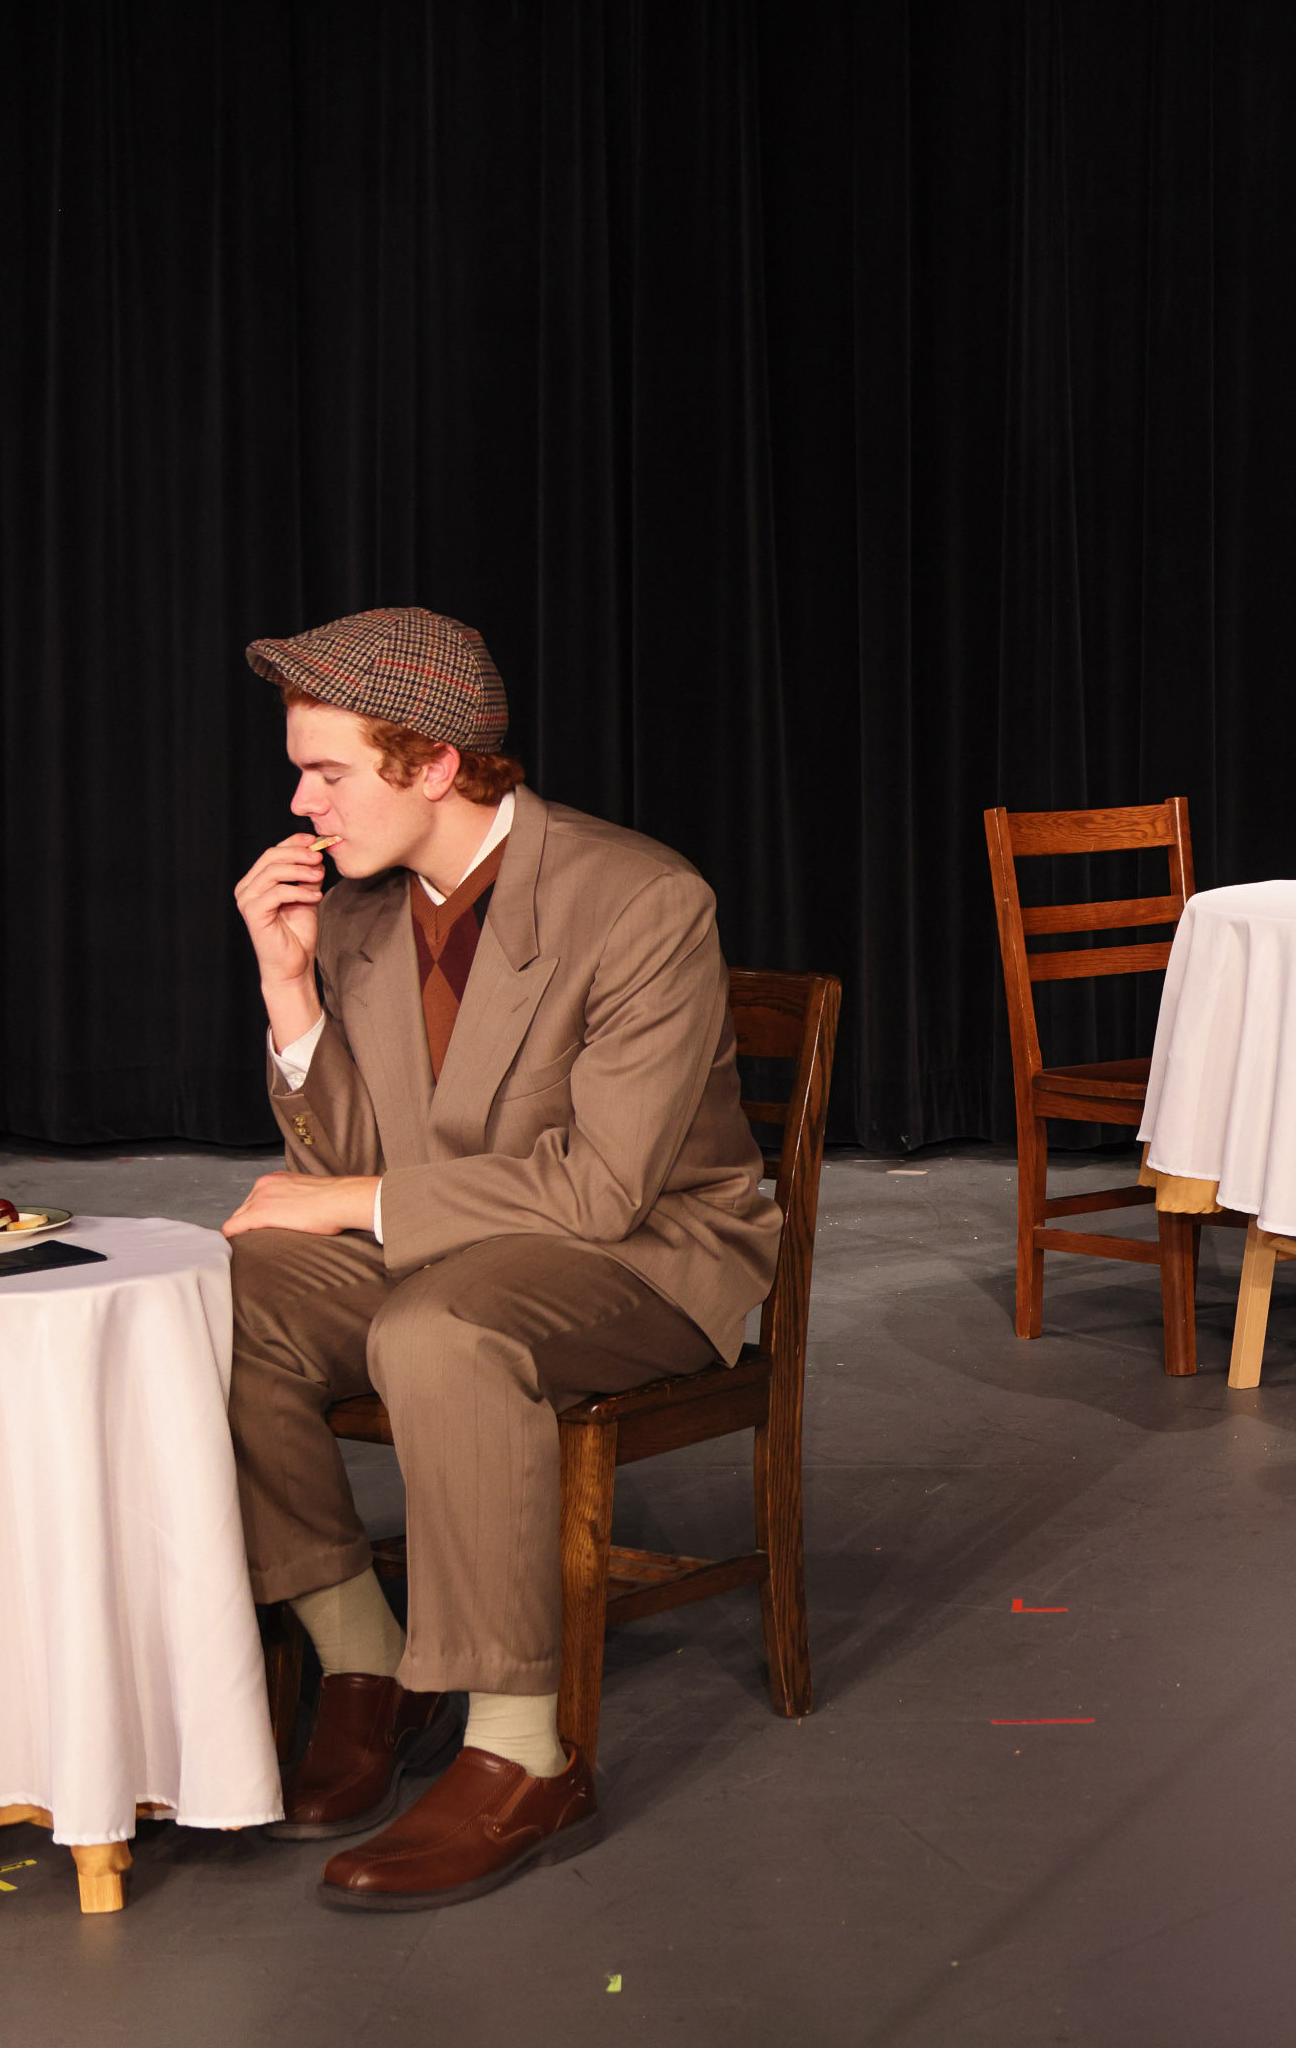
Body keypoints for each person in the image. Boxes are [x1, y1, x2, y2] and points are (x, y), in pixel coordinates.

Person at [223, 607, 780, 1910]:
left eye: (327, 772)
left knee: (439, 1330)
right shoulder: (358, 916)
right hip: (458, 1243)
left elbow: (601, 1188)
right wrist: (288, 987)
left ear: (431, 764)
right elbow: (349, 1163)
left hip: (642, 1260)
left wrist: (355, 1198)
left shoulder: (639, 899)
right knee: (232, 1295)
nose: (300, 803)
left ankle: (524, 1753)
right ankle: (366, 1663)